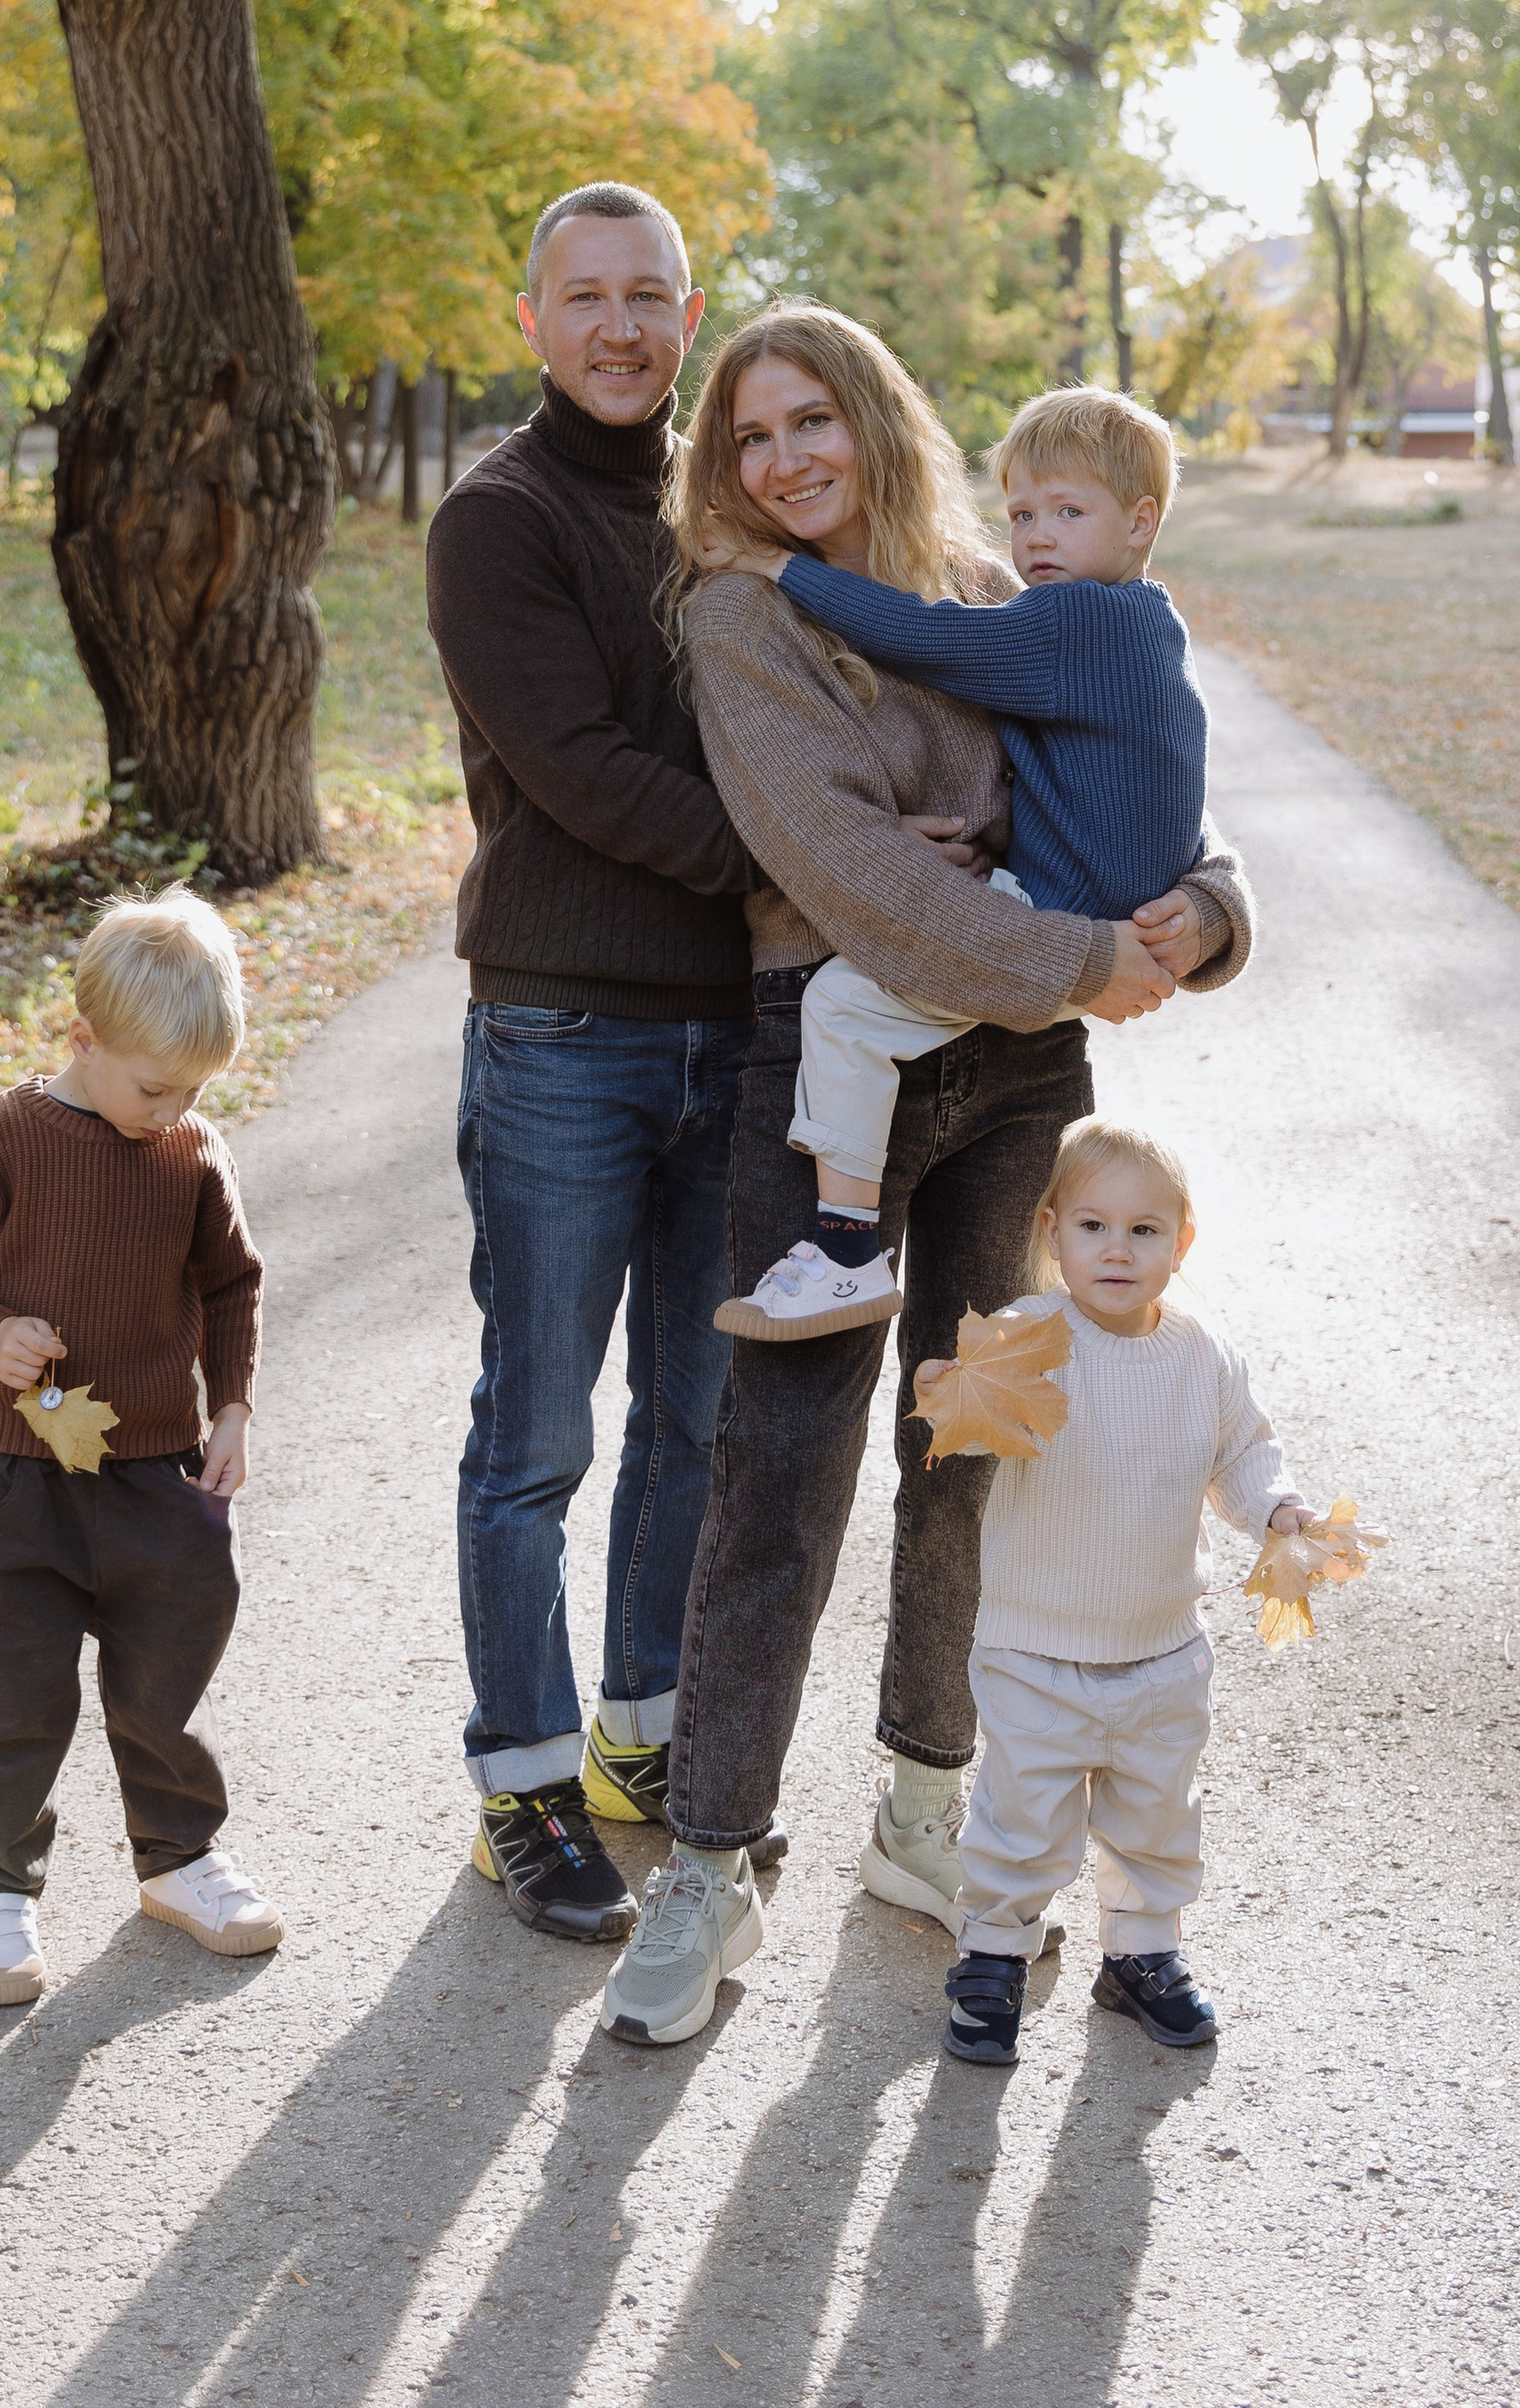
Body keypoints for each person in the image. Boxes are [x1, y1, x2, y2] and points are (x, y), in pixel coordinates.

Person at [597, 305, 1255, 2047]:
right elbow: (843, 870)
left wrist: (1206, 904)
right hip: (836, 1068)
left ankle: (919, 1805)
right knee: (780, 1474)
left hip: (1024, 1072)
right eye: (750, 438)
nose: (785, 461)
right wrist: (1065, 946)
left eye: (814, 421)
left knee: (971, 1450)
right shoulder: (744, 613)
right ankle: (712, 1860)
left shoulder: (996, 580)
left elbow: (1145, 758)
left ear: (878, 422)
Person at [423, 181, 764, 1946]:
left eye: (649, 295)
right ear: (533, 316)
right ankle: (522, 1788)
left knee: (693, 1425)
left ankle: (642, 1743)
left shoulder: (733, 506)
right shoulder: (498, 519)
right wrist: (797, 863)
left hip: (735, 1034)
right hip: (560, 1028)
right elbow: (579, 773)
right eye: (586, 296)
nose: (619, 327)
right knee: (534, 1438)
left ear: (686, 315)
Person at [709, 383, 1208, 1341]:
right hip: (1096, 921)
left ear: (1141, 521)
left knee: (845, 1006)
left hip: (1059, 923)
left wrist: (781, 570)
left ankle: (847, 1251)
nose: (1037, 539)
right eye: (1022, 513)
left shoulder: (1074, 623)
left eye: (1069, 512)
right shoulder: (1147, 620)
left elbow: (923, 638)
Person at [0, 887, 282, 2007]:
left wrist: (234, 1408)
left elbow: (230, 1285)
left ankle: (180, 1862)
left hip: (160, 1472)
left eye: (196, 1089)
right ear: (82, 1040)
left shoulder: (189, 1151)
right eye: (154, 1085)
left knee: (167, 1678)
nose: (173, 1110)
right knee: (10, 1690)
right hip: (11, 1477)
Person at [933, 1116, 1312, 2070]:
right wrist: (959, 1397)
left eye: (1145, 1231)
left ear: (1180, 1246)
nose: (1117, 1248)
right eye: (1093, 1226)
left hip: (1160, 1648)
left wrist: (1275, 1509)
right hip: (1034, 1646)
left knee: (1156, 1813)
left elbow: (1244, 1452)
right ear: (1053, 1234)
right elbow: (975, 1421)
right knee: (1023, 1814)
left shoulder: (1203, 1355)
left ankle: (1141, 1952)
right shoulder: (1029, 1334)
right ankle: (994, 1950)